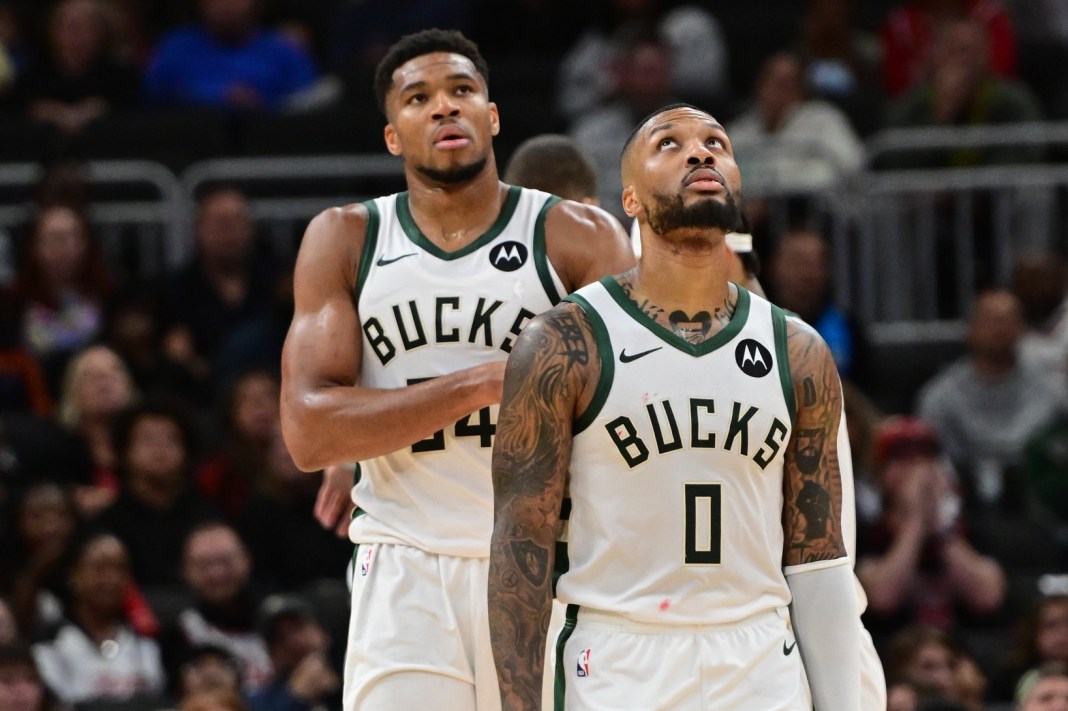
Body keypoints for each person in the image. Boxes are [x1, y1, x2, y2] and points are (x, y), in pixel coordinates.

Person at [278, 28, 635, 711]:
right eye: (419, 98)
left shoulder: (578, 236)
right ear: (392, 135)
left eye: (461, 91)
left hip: (550, 562)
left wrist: (374, 421)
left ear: (492, 116)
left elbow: (634, 406)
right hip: (406, 566)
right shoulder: (346, 237)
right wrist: (485, 382)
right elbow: (308, 433)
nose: (444, 108)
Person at [488, 102, 875, 710]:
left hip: (758, 659)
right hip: (617, 653)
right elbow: (521, 545)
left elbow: (818, 560)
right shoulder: (565, 341)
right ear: (631, 201)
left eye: (717, 143)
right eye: (669, 144)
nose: (701, 153)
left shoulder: (797, 348)